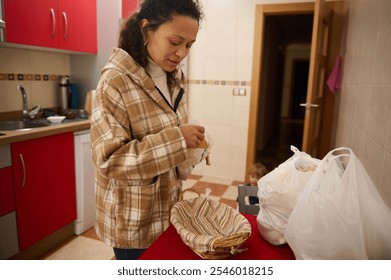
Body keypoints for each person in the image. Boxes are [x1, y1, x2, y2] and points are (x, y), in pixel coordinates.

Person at [90, 0, 206, 260]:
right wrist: (178, 140)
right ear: (146, 31)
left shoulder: (172, 77)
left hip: (168, 210)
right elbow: (110, 160)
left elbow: (170, 132)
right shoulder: (115, 81)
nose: (181, 53)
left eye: (189, 45)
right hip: (134, 221)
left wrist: (191, 149)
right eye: (175, 42)